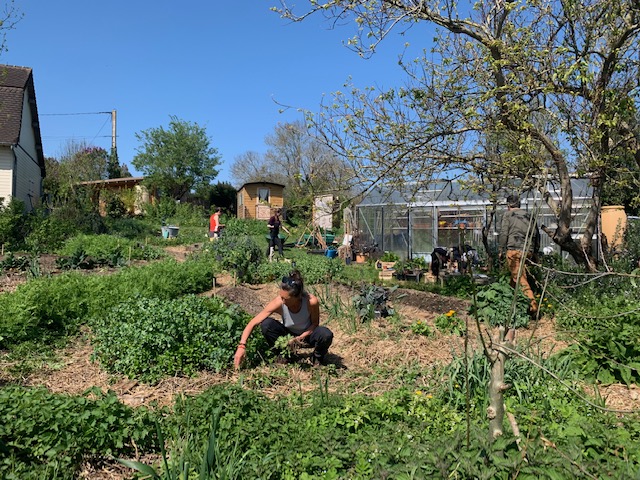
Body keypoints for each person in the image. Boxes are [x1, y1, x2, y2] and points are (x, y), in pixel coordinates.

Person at [233, 270, 333, 368]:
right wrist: (242, 346)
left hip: (306, 336)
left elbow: (315, 324)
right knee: (266, 324)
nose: (283, 301)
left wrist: (300, 337)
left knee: (325, 334)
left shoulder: (311, 302)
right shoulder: (279, 302)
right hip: (287, 336)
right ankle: (283, 355)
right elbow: (253, 323)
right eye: (281, 297)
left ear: (297, 297)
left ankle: (317, 358)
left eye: (286, 299)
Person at [499, 194, 540, 315]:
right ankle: (509, 303)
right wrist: (535, 252)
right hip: (528, 251)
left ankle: (533, 306)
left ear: (508, 205)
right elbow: (537, 234)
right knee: (516, 277)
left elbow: (504, 233)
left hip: (514, 250)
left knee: (519, 278)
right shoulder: (529, 215)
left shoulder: (508, 215)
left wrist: (501, 249)